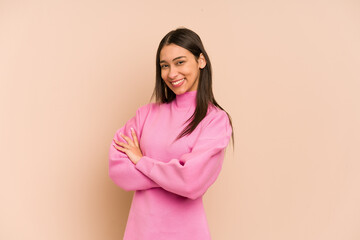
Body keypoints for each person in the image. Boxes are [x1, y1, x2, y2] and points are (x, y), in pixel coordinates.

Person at [109, 27, 234, 240]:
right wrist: (175, 174)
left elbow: (191, 182)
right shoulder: (145, 114)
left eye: (180, 62)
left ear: (201, 60)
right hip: (141, 233)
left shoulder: (215, 120)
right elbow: (118, 170)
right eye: (164, 66)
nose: (171, 73)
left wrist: (141, 161)